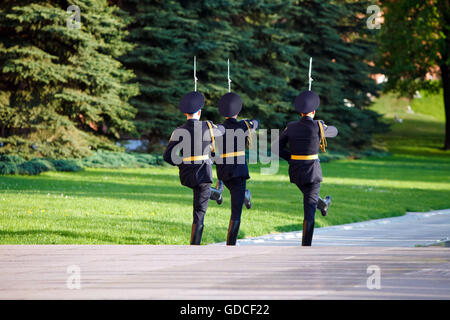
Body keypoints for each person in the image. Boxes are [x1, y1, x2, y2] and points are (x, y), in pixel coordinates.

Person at [273, 90, 337, 246]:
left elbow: (276, 147)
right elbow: (335, 132)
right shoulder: (318, 126)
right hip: (312, 171)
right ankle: (306, 245)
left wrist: (292, 158)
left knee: (310, 198)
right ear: (314, 111)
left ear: (300, 112)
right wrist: (322, 125)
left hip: (296, 171)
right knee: (309, 208)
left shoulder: (291, 126)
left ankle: (323, 204)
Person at [163, 91, 225, 245]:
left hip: (187, 176)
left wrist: (182, 163)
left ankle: (216, 193)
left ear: (185, 113)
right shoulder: (209, 126)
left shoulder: (178, 130)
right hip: (204, 174)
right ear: (199, 112)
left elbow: (167, 156)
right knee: (199, 212)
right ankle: (194, 246)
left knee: (201, 195)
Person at [215, 92, 259, 245]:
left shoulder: (217, 128)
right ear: (237, 112)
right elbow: (256, 122)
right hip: (238, 171)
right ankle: (231, 243)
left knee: (236, 194)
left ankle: (224, 192)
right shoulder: (244, 125)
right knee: (236, 211)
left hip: (223, 171)